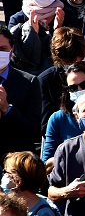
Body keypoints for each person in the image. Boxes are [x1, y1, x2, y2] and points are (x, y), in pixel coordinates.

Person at [38, 26, 85, 135]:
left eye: (80, 62)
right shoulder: (47, 80)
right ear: (59, 61)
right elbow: (45, 126)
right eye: (68, 65)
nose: (76, 69)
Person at [8, 0, 77, 75]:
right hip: (29, 80)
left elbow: (74, 54)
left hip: (59, 77)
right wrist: (31, 33)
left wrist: (59, 31)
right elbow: (17, 58)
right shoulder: (17, 19)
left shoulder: (66, 14)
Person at [0, 25, 41, 163]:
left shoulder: (29, 82)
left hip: (15, 163)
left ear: (11, 51)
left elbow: (32, 130)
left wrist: (7, 109)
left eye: (2, 49)